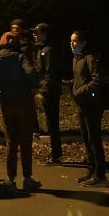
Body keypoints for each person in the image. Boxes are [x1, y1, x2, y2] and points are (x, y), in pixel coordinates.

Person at [0, 32, 42, 191]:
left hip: (8, 104)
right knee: (26, 141)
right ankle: (27, 178)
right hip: (24, 103)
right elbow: (31, 73)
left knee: (11, 141)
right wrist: (33, 88)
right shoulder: (20, 57)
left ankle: (11, 179)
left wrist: (0, 98)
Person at [70, 30, 109, 187]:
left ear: (83, 43)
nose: (72, 44)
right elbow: (81, 78)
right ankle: (91, 169)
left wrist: (81, 91)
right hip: (82, 103)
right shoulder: (77, 58)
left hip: (93, 104)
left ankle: (100, 174)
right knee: (86, 137)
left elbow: (98, 79)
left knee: (93, 138)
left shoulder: (91, 57)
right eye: (71, 41)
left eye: (75, 41)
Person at [32, 23, 63, 164]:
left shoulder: (48, 50)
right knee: (51, 123)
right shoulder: (41, 49)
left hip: (51, 92)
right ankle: (56, 153)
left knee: (52, 123)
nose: (34, 35)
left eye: (37, 33)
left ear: (45, 34)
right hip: (47, 90)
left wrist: (43, 91)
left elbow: (50, 73)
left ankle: (56, 155)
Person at [11, 18, 40, 137]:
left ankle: (34, 127)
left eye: (17, 29)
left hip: (26, 77)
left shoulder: (27, 44)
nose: (14, 31)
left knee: (28, 103)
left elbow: (32, 61)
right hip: (15, 77)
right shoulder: (11, 42)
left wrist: (33, 79)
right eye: (12, 28)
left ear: (22, 30)